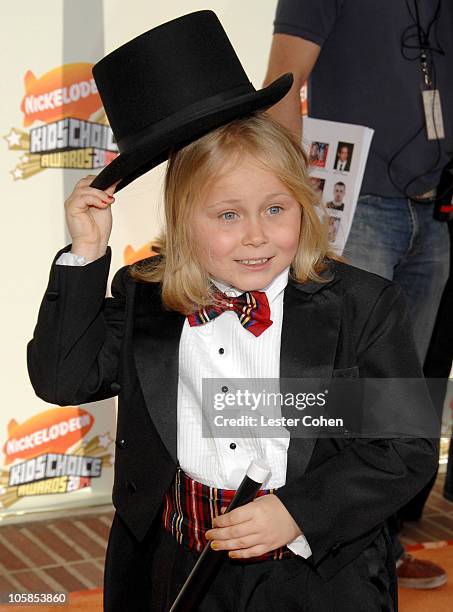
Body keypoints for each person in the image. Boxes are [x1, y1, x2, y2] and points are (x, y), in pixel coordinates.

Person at [27, 11, 439, 612]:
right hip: (174, 570)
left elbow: (402, 446)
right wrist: (85, 255)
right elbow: (64, 377)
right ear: (182, 223)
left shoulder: (364, 306)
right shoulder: (147, 295)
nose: (256, 236)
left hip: (315, 579)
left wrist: (297, 511)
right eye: (226, 215)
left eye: (276, 208)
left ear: (304, 202)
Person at [264, 0, 452, 588]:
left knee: (399, 398)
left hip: (437, 211)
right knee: (338, 392)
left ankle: (377, 553)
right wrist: (297, 201)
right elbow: (280, 87)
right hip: (356, 212)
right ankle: (312, 554)